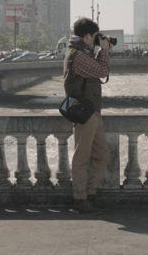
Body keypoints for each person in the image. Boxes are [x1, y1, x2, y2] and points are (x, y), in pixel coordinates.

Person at [63, 17, 111, 215]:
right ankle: (80, 199)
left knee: (102, 155)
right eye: (94, 37)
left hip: (92, 112)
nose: (95, 41)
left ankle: (90, 194)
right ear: (87, 35)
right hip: (84, 113)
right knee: (81, 157)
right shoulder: (78, 55)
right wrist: (105, 51)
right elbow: (102, 70)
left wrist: (98, 49)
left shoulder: (83, 51)